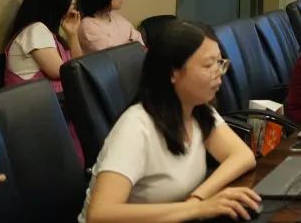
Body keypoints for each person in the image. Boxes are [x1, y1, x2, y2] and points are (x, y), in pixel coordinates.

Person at [79, 20, 260, 222]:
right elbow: (100, 214)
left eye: (220, 63)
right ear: (173, 72)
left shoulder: (197, 108)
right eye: (208, 65)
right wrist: (196, 209)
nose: (219, 73)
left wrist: (197, 199)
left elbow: (242, 156)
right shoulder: (136, 127)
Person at [5, 0, 84, 92]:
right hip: (33, 101)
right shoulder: (36, 30)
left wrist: (72, 34)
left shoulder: (46, 30)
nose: (74, 1)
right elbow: (61, 72)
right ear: (54, 2)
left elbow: (78, 65)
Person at [77, 0, 143, 54]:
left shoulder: (114, 16)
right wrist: (130, 43)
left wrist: (129, 45)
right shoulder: (87, 25)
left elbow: (139, 42)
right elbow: (113, 55)